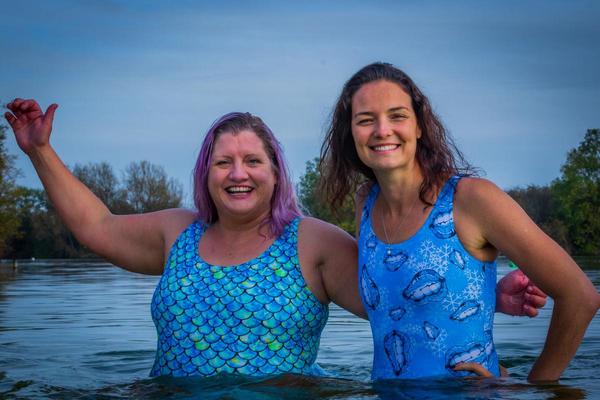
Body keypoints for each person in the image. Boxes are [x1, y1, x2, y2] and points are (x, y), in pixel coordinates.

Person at [4, 99, 545, 378]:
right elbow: (95, 227)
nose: (238, 173)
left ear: (275, 172)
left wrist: (488, 297)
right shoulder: (176, 233)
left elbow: (395, 301)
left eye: (252, 161)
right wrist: (40, 151)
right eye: (224, 161)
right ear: (206, 173)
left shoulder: (312, 242)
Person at [319, 62, 600, 381]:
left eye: (397, 116)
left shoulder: (471, 199)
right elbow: (397, 308)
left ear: (419, 126)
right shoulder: (365, 204)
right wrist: (490, 298)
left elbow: (580, 296)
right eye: (366, 120)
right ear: (350, 132)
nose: (382, 130)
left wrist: (535, 388)